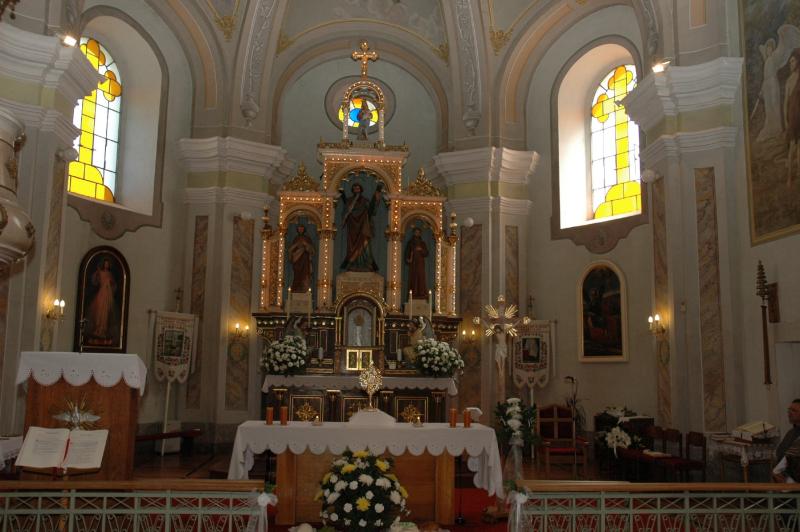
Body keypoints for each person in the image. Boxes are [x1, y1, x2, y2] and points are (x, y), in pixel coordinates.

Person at [339, 181, 382, 272]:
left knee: (365, 245)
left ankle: (367, 264)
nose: (356, 190)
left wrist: (376, 199)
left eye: (358, 188)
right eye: (355, 188)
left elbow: (372, 211)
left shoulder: (365, 201)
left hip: (363, 226)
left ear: (361, 190)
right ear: (352, 190)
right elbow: (345, 213)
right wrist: (345, 217)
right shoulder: (349, 201)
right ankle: (352, 263)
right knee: (352, 245)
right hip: (352, 227)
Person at [87, 258, 116, 343]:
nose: (106, 265)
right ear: (103, 264)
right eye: (105, 263)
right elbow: (95, 281)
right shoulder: (100, 272)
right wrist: (97, 273)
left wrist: (110, 283)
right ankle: (98, 329)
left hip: (108, 294)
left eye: (108, 264)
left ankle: (103, 330)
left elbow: (114, 285)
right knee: (99, 311)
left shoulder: (110, 274)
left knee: (105, 313)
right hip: (101, 293)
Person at [773, 399, 800, 482]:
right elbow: (780, 453)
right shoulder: (791, 432)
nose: (789, 413)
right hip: (784, 478)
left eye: (794, 410)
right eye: (789, 410)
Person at [784, 49, 800, 186]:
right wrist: (785, 120)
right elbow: (785, 103)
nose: (791, 64)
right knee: (792, 147)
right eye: (790, 62)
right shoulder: (789, 81)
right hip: (792, 116)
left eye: (793, 61)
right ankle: (789, 177)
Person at [288, 224, 314, 293]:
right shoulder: (296, 239)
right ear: (297, 230)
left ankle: (304, 288)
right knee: (297, 274)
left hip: (305, 259)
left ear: (304, 230)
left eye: (302, 229)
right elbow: (291, 250)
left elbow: (312, 250)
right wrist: (296, 246)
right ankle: (296, 287)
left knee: (305, 274)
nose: (300, 230)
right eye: (299, 229)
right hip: (297, 260)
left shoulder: (307, 238)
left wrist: (305, 244)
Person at [405, 226, 429, 298]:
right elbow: (407, 252)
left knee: (421, 277)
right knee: (413, 277)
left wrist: (421, 249)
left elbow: (426, 253)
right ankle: (413, 293)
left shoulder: (422, 243)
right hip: (413, 263)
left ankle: (421, 293)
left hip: (420, 263)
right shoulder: (410, 243)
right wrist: (408, 258)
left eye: (418, 232)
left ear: (420, 234)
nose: (417, 233)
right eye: (416, 232)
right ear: (413, 233)